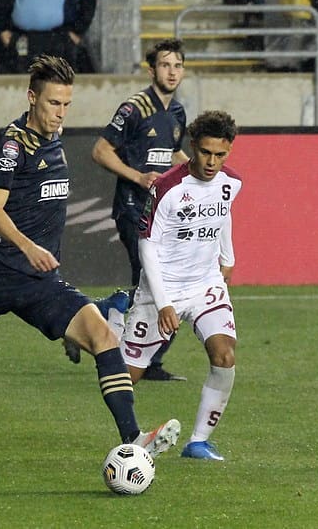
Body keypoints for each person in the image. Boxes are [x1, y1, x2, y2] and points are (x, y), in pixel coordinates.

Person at [0, 54, 180, 458]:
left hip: (41, 284)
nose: (60, 113)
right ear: (31, 98)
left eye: (66, 104)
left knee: (104, 337)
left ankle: (133, 440)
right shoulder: (11, 144)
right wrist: (29, 246)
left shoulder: (54, 141)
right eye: (53, 103)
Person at [119, 110, 242, 461]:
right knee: (128, 376)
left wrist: (227, 257)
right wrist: (163, 304)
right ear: (192, 147)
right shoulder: (167, 188)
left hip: (205, 284)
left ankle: (199, 441)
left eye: (220, 155)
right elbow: (147, 245)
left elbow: (223, 213)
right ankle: (111, 318)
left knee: (225, 356)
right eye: (205, 152)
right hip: (163, 289)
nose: (212, 162)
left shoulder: (232, 183)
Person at [90, 38, 190, 381]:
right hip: (133, 207)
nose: (172, 72)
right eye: (165, 65)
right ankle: (134, 347)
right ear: (152, 70)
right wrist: (138, 177)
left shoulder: (177, 112)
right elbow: (101, 151)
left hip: (162, 213)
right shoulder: (133, 109)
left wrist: (198, 176)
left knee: (159, 282)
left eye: (177, 65)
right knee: (153, 279)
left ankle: (115, 320)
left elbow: (172, 153)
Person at [0, 0, 97, 74]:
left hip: (59, 40)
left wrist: (77, 32)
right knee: (21, 89)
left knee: (57, 87)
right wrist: (3, 29)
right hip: (23, 40)